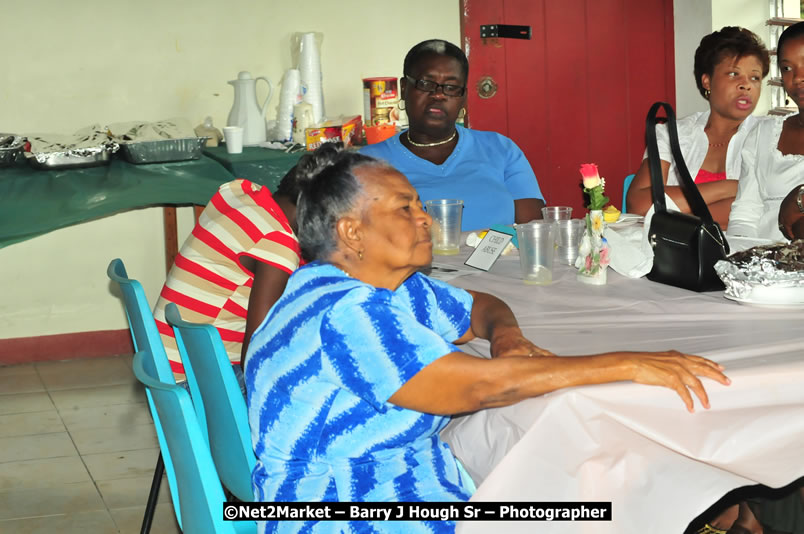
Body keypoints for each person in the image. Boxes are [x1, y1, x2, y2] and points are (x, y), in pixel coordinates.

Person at [244, 148, 730, 534]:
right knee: (587, 505)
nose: (424, 218)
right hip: (345, 508)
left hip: (407, 483)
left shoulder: (385, 286)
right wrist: (629, 364)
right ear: (352, 232)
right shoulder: (345, 313)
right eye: (404, 208)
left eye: (419, 205)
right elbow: (478, 387)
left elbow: (479, 305)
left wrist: (507, 337)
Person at [151, 145, 340, 382]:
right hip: (196, 382)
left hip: (167, 364)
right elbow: (255, 358)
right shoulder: (277, 245)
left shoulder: (241, 194)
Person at [360, 39, 545, 231]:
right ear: (405, 88)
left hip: (503, 251)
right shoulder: (366, 163)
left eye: (451, 87)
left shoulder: (500, 149)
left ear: (463, 98)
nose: (438, 95)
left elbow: (534, 231)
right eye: (426, 84)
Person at [627, 27, 770, 228]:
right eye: (733, 74)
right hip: (674, 247)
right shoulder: (672, 133)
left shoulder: (770, 136)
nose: (746, 85)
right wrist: (731, 187)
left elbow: (760, 211)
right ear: (707, 81)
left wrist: (670, 216)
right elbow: (638, 204)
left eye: (755, 77)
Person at [729, 21, 804, 241]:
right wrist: (742, 255)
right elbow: (744, 215)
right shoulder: (763, 134)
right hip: (764, 257)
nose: (797, 77)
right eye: (787, 68)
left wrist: (799, 198)